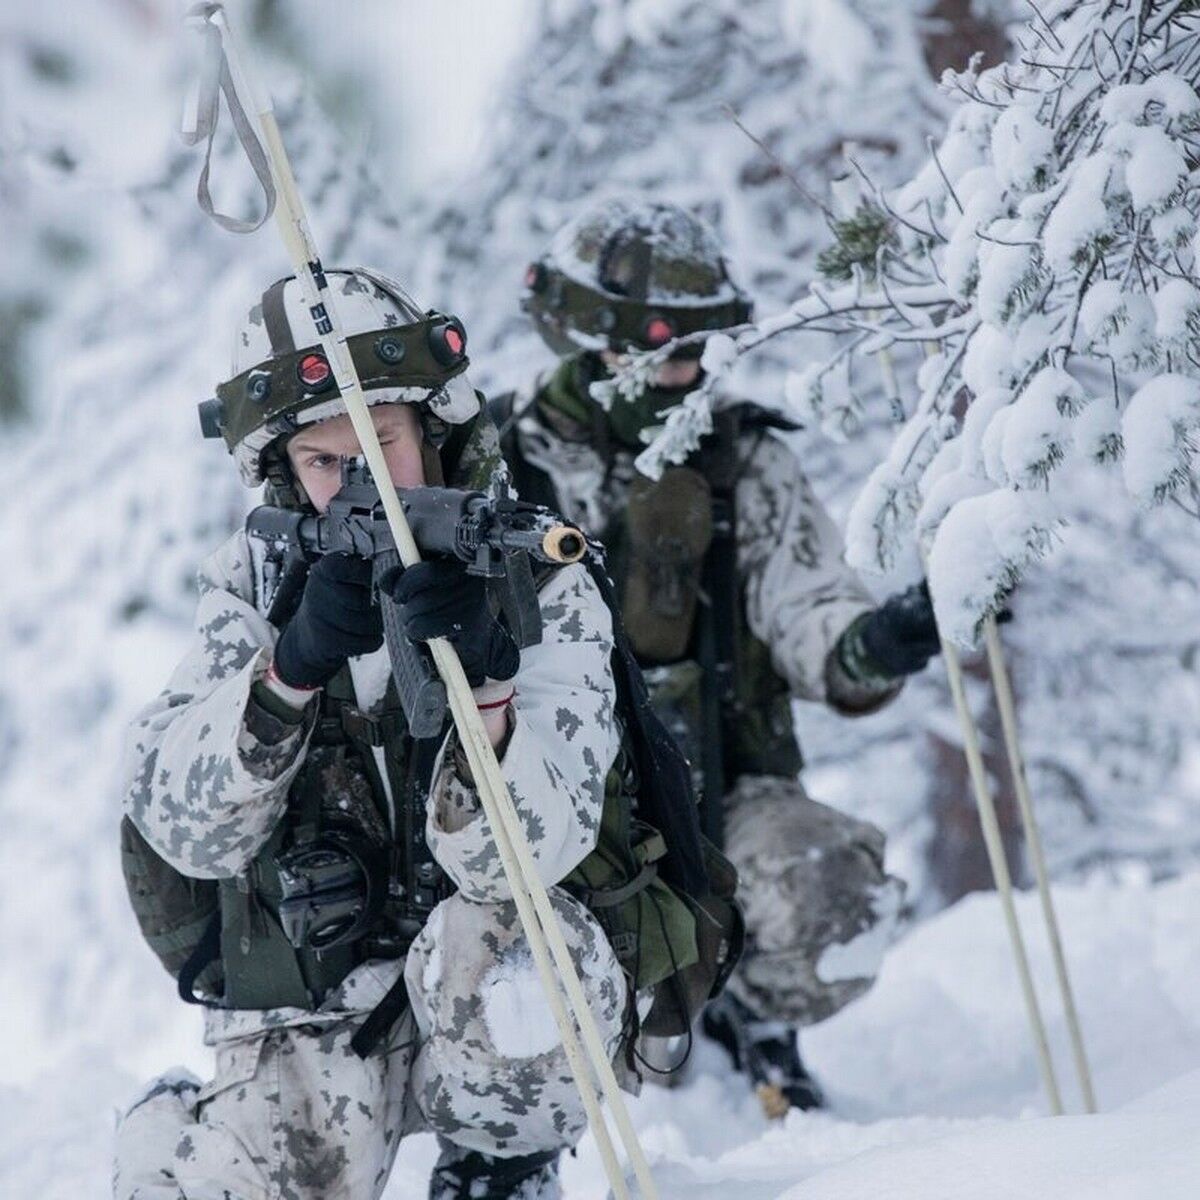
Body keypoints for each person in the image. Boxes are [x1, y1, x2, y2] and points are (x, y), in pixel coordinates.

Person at [113, 268, 628, 1200]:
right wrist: (290, 671)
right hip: (313, 990)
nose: (359, 481)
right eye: (322, 459)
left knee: (521, 955)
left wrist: (489, 685)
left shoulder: (534, 572)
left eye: (381, 442)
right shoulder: (256, 583)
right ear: (282, 471)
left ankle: (499, 1169)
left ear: (432, 433)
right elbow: (180, 827)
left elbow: (528, 856)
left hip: (476, 972)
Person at [499, 199, 942, 1115]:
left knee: (833, 904)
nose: (691, 374)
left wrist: (880, 643)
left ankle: (751, 1010)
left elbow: (812, 612)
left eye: (703, 351)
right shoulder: (498, 468)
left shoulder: (744, 461)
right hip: (544, 810)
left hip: (722, 793)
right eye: (666, 351)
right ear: (591, 344)